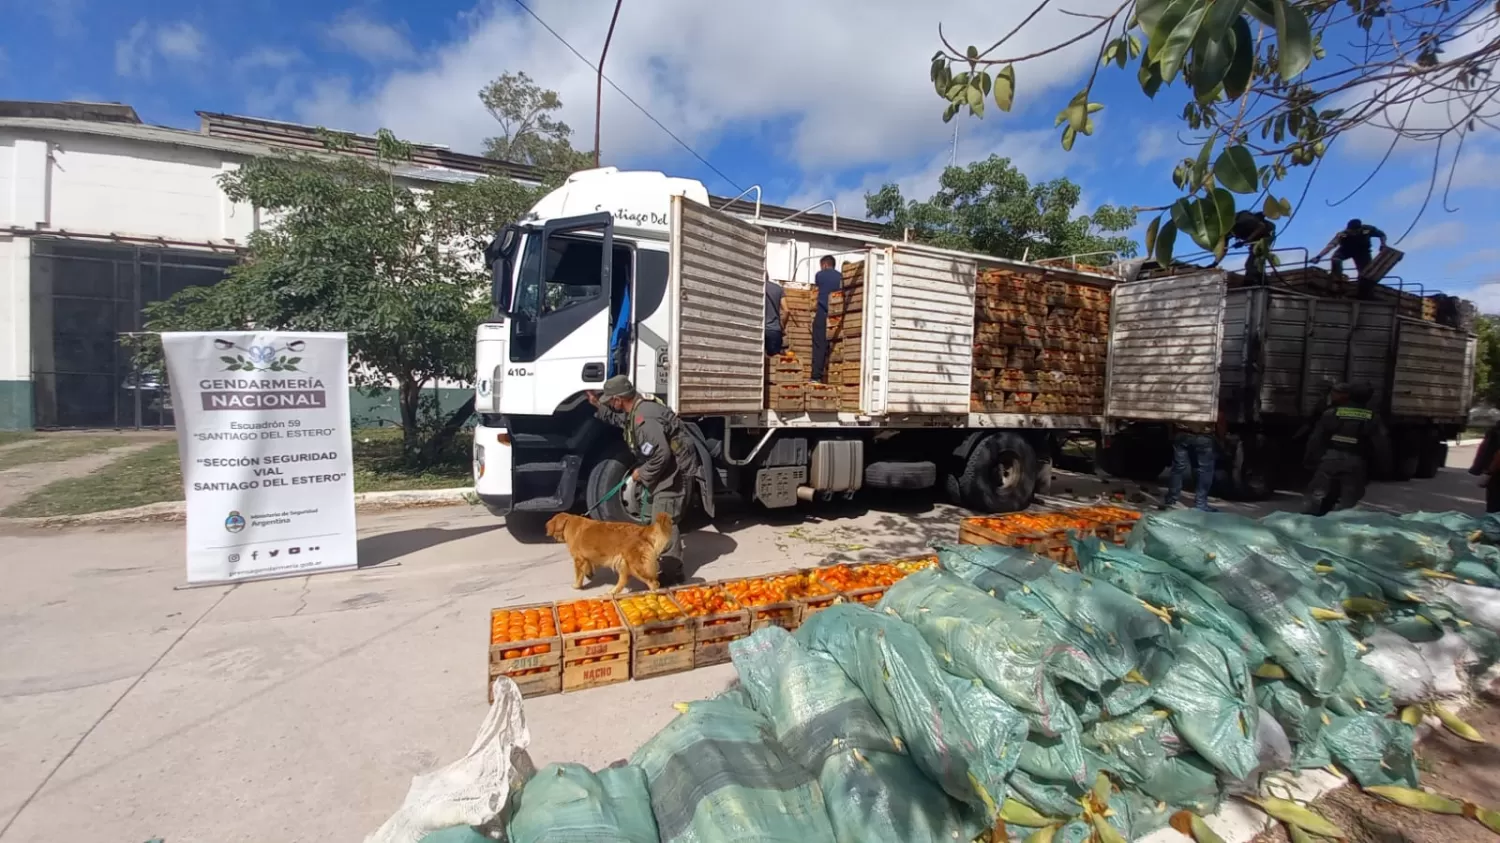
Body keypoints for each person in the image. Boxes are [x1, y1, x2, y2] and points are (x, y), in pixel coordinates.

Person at [589, 375, 702, 583]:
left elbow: (662, 454)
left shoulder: (644, 419)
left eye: (609, 402)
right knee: (651, 516)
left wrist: (642, 472)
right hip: (662, 468)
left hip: (672, 470)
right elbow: (621, 421)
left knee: (663, 520)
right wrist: (598, 406)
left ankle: (672, 571)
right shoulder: (634, 411)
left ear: (618, 400)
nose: (611, 405)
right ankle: (658, 559)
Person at [1302, 382, 1391, 514]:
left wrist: (1310, 459)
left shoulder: (1331, 413)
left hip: (1329, 460)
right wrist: (1384, 469)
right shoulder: (1372, 418)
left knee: (1316, 497)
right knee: (1347, 504)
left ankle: (1308, 523)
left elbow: (1315, 440)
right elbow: (1381, 446)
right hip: (1355, 463)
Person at [1314, 219, 1388, 299]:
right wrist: (1318, 257)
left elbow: (1381, 234)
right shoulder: (1343, 234)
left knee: (1365, 272)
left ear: (1359, 229)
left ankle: (1363, 292)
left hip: (1362, 252)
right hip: (1346, 250)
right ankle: (1337, 282)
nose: (1353, 233)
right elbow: (1331, 245)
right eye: (1351, 231)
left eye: (1355, 231)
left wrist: (1383, 244)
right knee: (1336, 259)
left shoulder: (1367, 229)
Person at [1160, 421, 1219, 512]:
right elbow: (1220, 416)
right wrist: (1221, 439)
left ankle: (1171, 500)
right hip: (1204, 436)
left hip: (1183, 434)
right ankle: (1200, 503)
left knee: (1178, 468)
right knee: (1205, 470)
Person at [811, 255, 842, 382]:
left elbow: (817, 290)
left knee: (819, 344)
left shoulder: (820, 275)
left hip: (823, 313)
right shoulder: (840, 276)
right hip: (837, 315)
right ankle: (834, 376)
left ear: (824, 265)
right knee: (834, 344)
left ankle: (816, 377)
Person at [1469, 419, 1500, 513]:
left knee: (1494, 508)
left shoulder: (1495, 433)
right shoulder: (1495, 434)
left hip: (1496, 476)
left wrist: (1487, 472)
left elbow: (1494, 455)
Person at [764, 276, 785, 356]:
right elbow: (786, 310)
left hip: (758, 329)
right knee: (774, 361)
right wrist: (782, 325)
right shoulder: (778, 289)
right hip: (774, 330)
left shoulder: (755, 286)